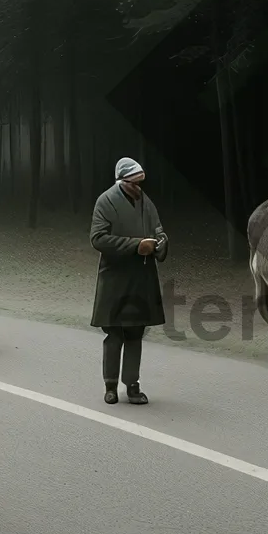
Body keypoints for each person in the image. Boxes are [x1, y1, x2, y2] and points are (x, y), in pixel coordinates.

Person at [89, 157, 169, 404]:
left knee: (135, 332)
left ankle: (132, 385)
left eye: (140, 183)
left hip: (141, 277)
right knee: (114, 333)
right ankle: (110, 385)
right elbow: (98, 238)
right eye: (133, 183)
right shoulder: (105, 201)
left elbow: (158, 230)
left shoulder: (146, 202)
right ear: (122, 181)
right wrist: (136, 245)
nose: (138, 188)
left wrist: (161, 243)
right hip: (114, 277)